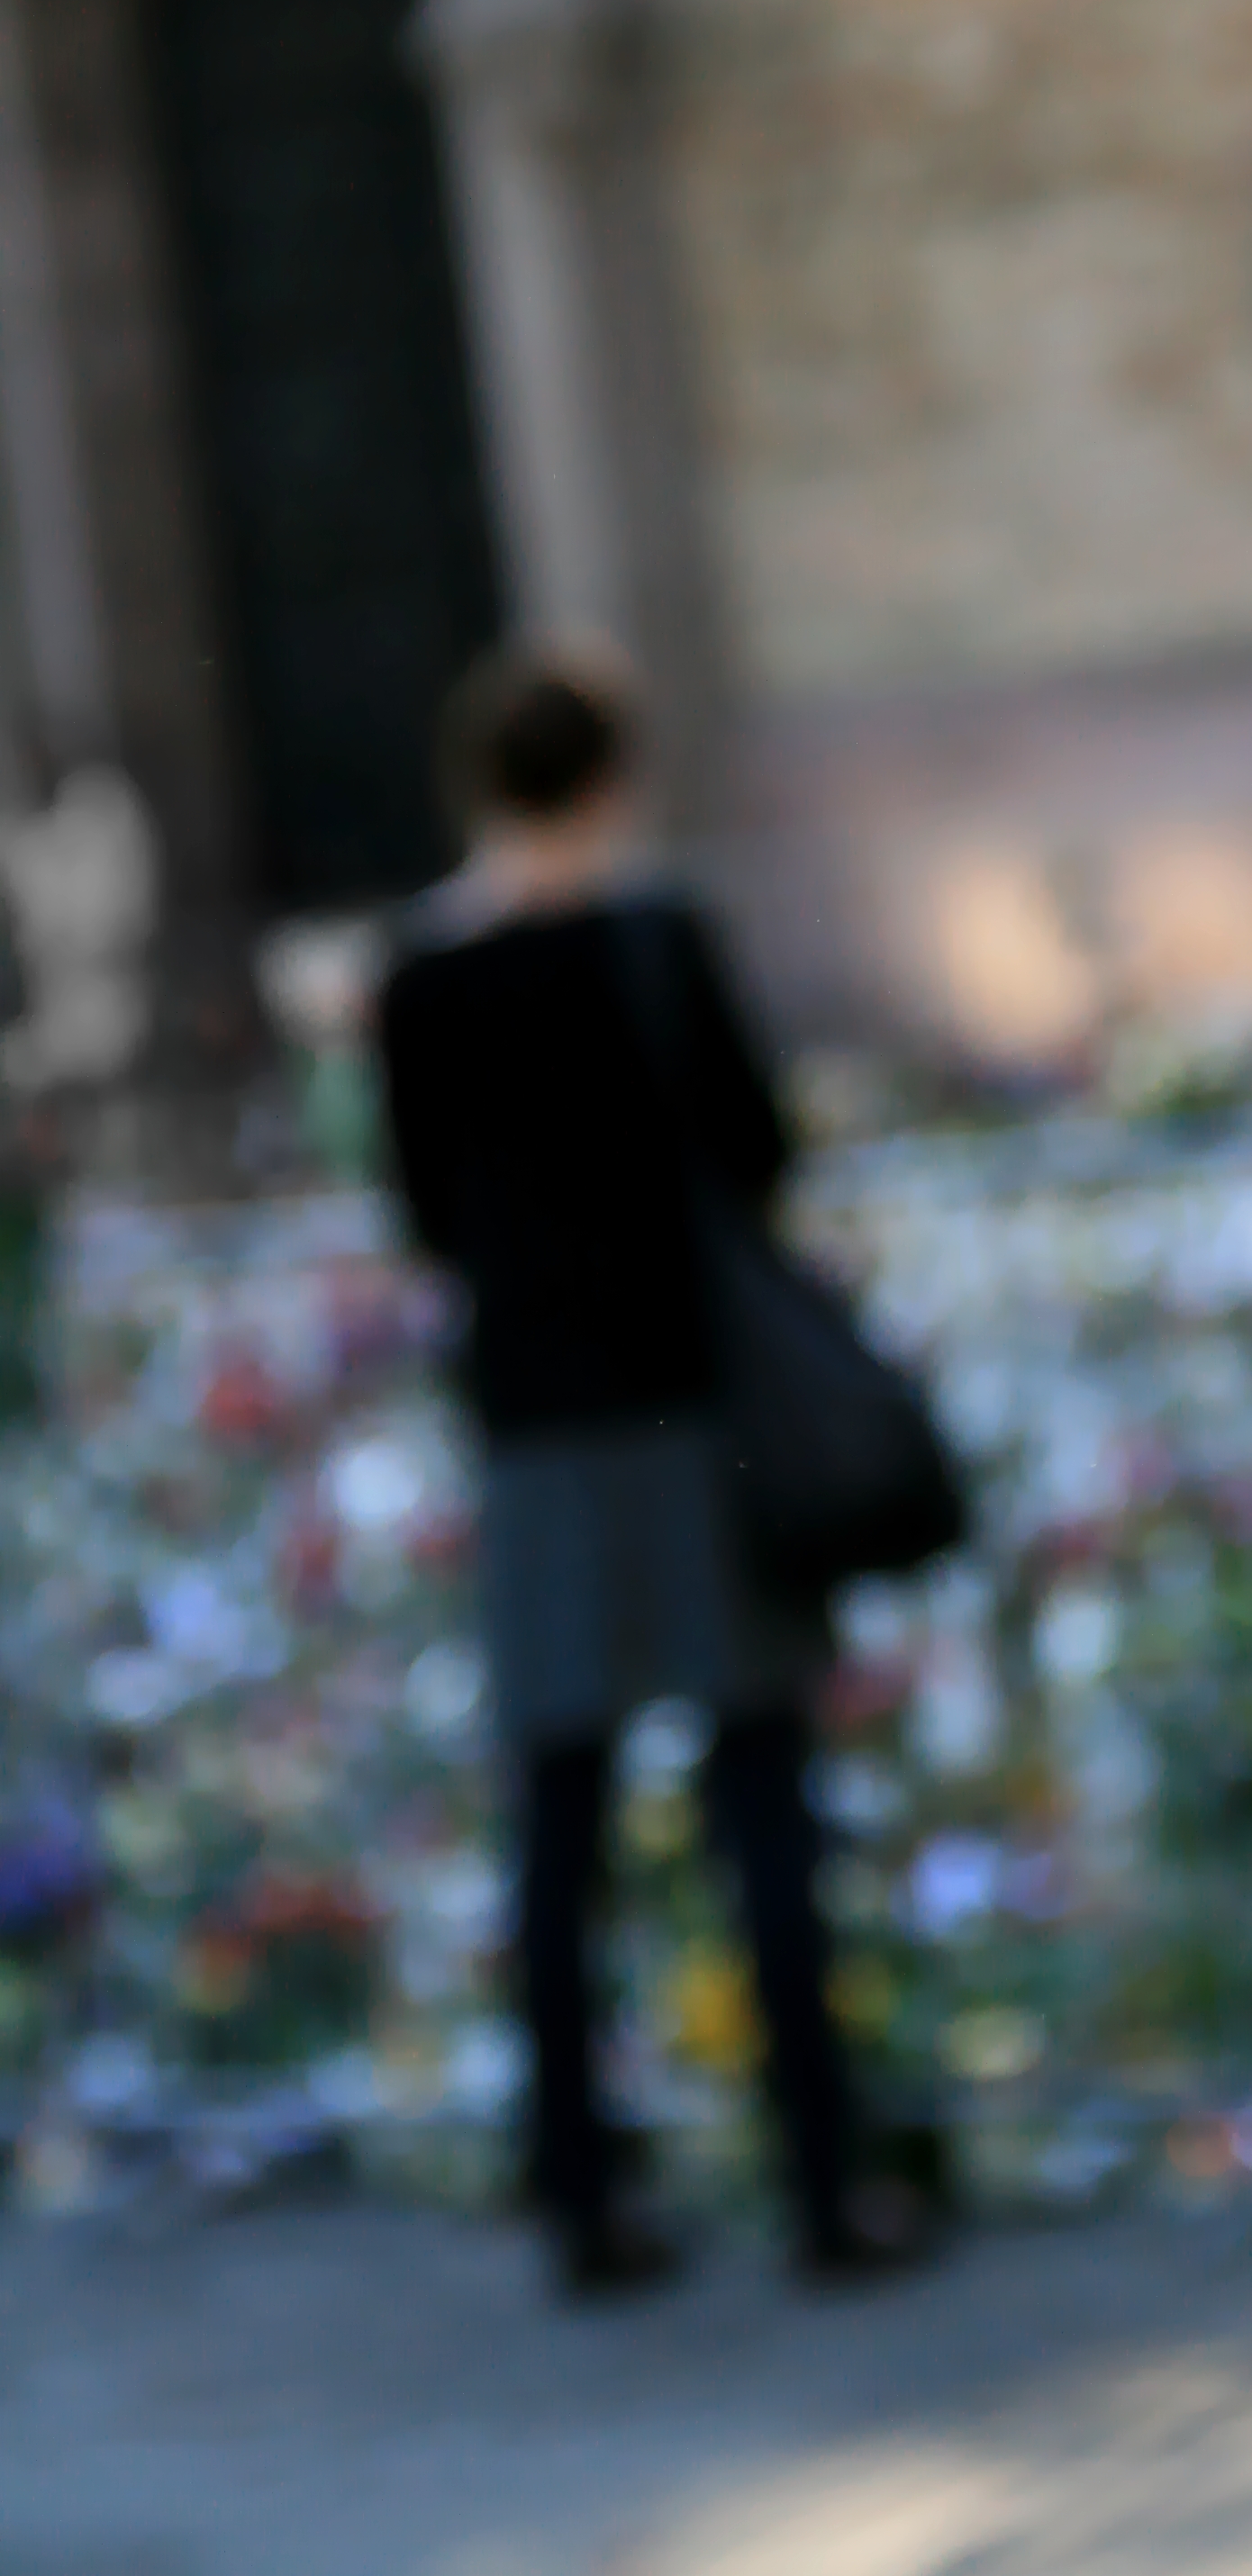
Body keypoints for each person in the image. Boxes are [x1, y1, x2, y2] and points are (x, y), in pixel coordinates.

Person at [377, 644, 916, 2298]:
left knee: (560, 1826)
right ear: (607, 783)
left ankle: (579, 2201)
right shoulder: (656, 944)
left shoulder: (418, 979)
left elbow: (417, 1210)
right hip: (695, 1417)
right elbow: (757, 1153)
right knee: (760, 1803)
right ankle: (822, 2187)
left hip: (538, 1432)